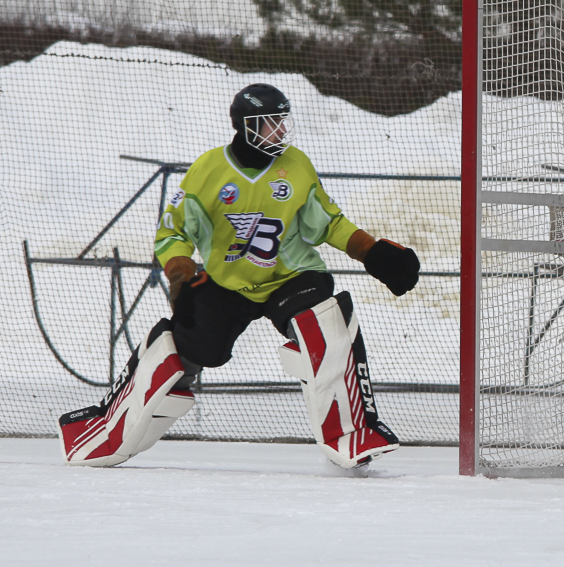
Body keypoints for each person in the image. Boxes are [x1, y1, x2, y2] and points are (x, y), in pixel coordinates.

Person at [58, 83, 420, 470]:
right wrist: (181, 274)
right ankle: (105, 428)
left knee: (325, 322)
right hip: (227, 284)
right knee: (187, 349)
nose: (281, 130)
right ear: (245, 126)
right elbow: (172, 234)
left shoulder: (296, 165)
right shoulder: (208, 171)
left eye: (283, 121)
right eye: (270, 123)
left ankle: (352, 434)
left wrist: (369, 250)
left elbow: (327, 222)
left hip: (292, 276)